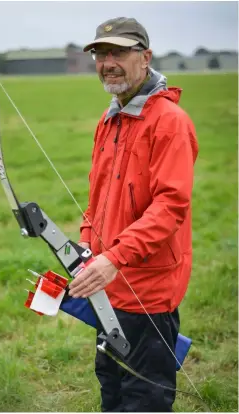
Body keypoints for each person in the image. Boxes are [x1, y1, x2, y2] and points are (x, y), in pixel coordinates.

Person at [68, 17, 199, 412]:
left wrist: (114, 258)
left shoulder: (170, 123)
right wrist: (88, 250)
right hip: (106, 287)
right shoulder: (108, 121)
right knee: (112, 389)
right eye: (101, 54)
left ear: (145, 57)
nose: (108, 62)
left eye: (119, 52)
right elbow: (97, 201)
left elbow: (170, 206)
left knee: (144, 398)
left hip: (148, 292)